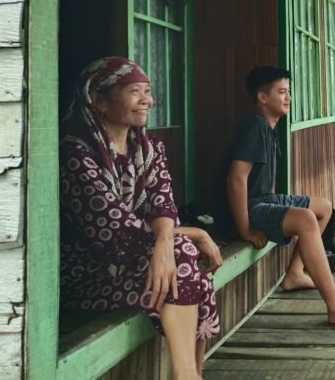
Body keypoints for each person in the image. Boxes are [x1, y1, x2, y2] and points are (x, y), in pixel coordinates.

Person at [60, 57, 222, 380]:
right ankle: (188, 375)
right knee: (185, 255)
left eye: (147, 91)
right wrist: (193, 235)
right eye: (135, 92)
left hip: (134, 263)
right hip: (87, 273)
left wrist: (166, 239)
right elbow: (116, 230)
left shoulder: (147, 148)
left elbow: (163, 204)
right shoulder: (76, 155)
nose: (147, 100)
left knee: (188, 265)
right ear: (99, 101)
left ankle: (190, 374)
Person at [224, 65, 335, 327]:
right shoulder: (254, 127)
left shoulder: (268, 128)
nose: (288, 98)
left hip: (264, 200)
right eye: (282, 92)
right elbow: (235, 180)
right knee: (305, 219)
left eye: (288, 92)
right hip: (248, 208)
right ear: (262, 97)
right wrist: (246, 229)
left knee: (323, 207)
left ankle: (295, 273)